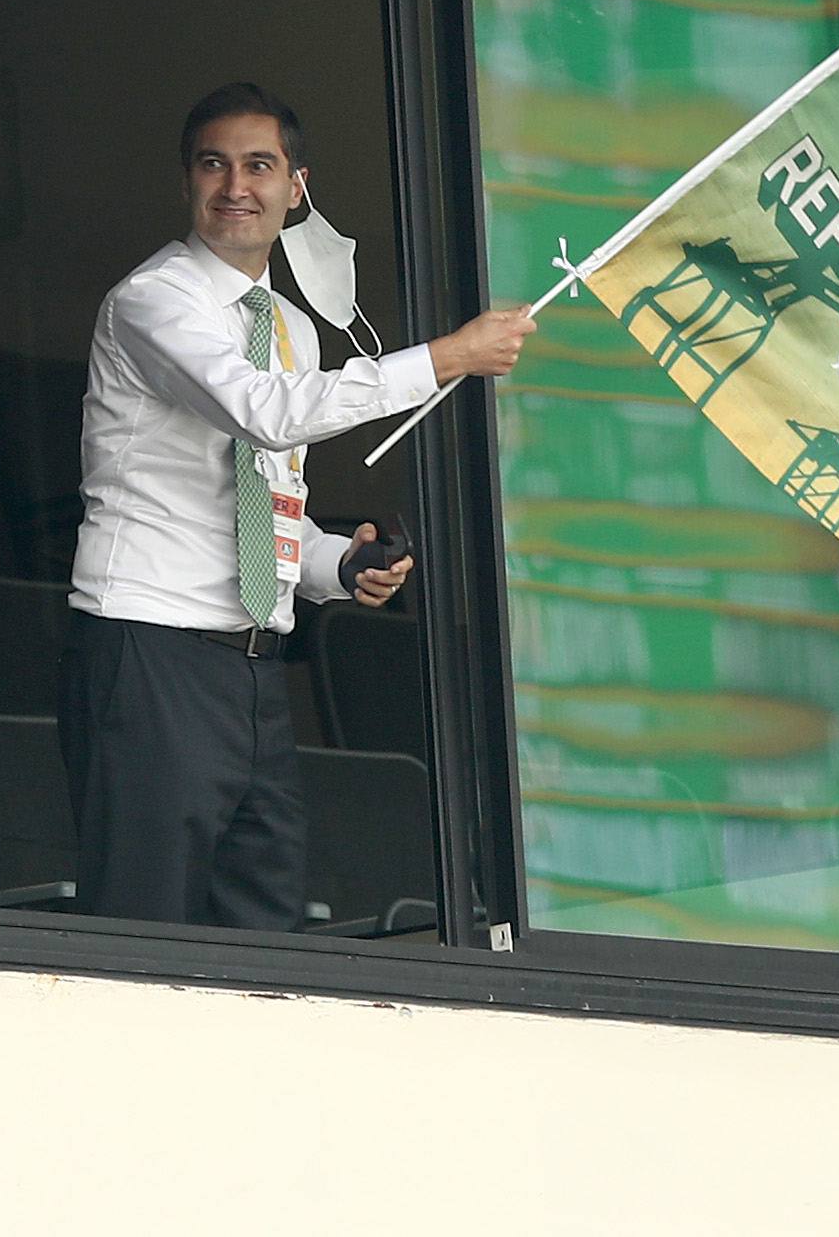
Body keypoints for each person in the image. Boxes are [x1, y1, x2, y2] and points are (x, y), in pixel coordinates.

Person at [58, 82, 534, 929]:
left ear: (296, 186)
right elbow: (261, 410)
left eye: (259, 165)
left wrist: (335, 566)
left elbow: (269, 494)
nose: (235, 186)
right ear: (186, 183)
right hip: (150, 647)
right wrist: (448, 357)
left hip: (254, 667)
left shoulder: (290, 324)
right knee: (144, 929)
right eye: (214, 164)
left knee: (267, 932)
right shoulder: (155, 298)